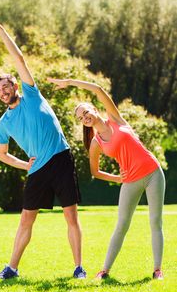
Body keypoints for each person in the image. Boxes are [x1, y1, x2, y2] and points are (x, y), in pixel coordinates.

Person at [0, 15, 86, 279]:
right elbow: (1, 155)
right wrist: (24, 163)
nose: (3, 92)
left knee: (70, 216)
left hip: (61, 159)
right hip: (37, 168)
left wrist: (1, 31)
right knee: (26, 219)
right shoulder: (3, 123)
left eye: (6, 86)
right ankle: (11, 269)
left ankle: (78, 268)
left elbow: (19, 59)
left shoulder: (31, 94)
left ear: (16, 85)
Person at [48, 77, 165, 280]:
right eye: (80, 117)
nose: (85, 117)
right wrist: (119, 179)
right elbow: (95, 172)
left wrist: (68, 82)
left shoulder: (115, 118)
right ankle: (105, 270)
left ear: (93, 109)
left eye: (86, 112)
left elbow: (98, 89)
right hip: (130, 181)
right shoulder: (95, 143)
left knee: (155, 221)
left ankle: (157, 270)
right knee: (122, 225)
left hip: (153, 173)